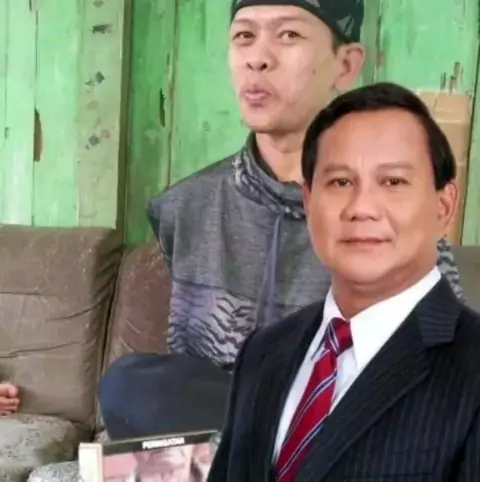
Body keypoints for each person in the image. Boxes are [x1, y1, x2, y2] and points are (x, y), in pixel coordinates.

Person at [98, 0, 466, 438]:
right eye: (244, 36)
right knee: (129, 384)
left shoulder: (393, 212)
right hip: (217, 428)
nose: (258, 58)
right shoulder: (185, 205)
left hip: (344, 422)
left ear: (346, 64)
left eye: (289, 35)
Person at [207, 82, 480, 482]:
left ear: (444, 207)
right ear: (308, 200)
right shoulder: (264, 351)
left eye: (393, 182)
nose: (361, 208)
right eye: (340, 182)